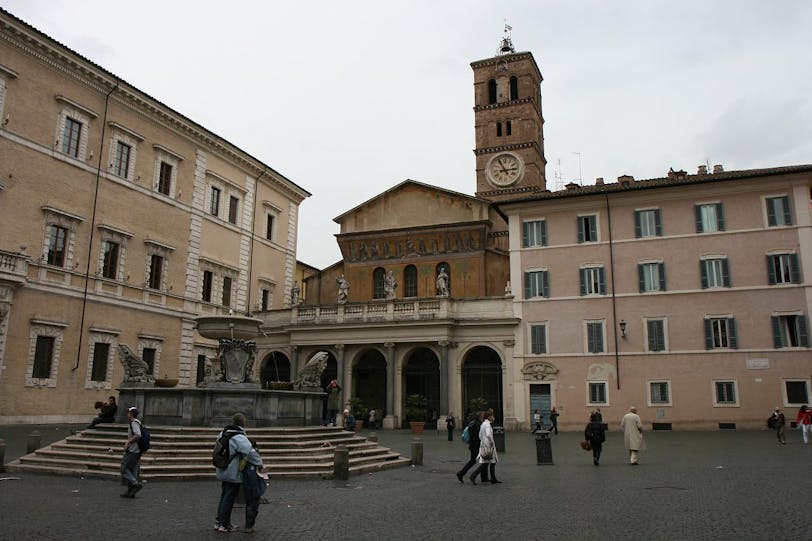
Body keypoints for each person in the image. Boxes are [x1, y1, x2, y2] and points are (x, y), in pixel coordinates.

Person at [215, 412, 265, 533]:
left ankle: (219, 521)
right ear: (243, 423)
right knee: (229, 497)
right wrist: (260, 463)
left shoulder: (223, 433)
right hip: (232, 471)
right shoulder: (239, 437)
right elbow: (250, 452)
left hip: (223, 468)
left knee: (224, 495)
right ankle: (224, 524)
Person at [468, 410, 500, 484]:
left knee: (491, 462)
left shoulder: (483, 424)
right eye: (492, 416)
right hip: (488, 446)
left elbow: (480, 435)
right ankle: (473, 476)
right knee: (486, 463)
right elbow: (488, 434)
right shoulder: (487, 424)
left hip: (484, 445)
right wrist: (491, 442)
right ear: (489, 417)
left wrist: (483, 440)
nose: (493, 417)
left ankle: (493, 478)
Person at [456, 411, 487, 483]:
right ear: (480, 417)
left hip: (472, 445)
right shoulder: (479, 424)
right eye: (483, 416)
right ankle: (475, 476)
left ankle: (461, 473)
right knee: (485, 461)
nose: (484, 417)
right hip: (478, 446)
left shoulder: (472, 423)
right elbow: (480, 436)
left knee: (473, 461)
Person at [120, 406, 143, 498]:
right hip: (137, 450)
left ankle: (135, 484)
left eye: (128, 413)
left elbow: (138, 435)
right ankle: (130, 491)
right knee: (132, 470)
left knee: (124, 469)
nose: (127, 415)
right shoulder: (137, 422)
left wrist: (128, 442)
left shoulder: (133, 423)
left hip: (133, 450)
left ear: (131, 414)